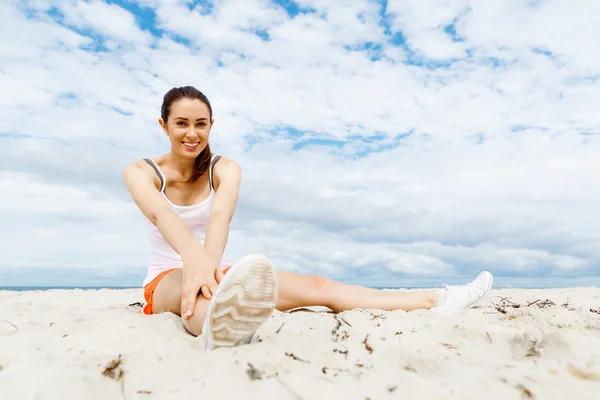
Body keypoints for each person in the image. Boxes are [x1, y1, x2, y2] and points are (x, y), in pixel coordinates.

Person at [123, 86, 493, 351]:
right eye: (182, 124)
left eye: (201, 124)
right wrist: (197, 267)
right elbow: (162, 215)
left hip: (222, 271)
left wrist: (211, 269)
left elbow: (222, 216)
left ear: (211, 125)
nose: (192, 133)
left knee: (319, 287)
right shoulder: (141, 171)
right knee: (204, 306)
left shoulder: (226, 168)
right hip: (167, 276)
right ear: (164, 125)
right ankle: (224, 325)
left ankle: (438, 298)